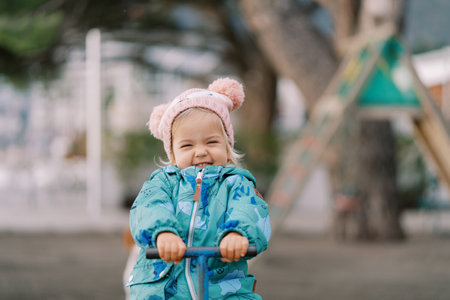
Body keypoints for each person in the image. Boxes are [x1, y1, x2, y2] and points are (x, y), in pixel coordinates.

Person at [126, 77, 271, 299]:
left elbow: (250, 209)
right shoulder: (162, 183)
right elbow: (148, 206)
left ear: (227, 145)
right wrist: (163, 233)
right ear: (173, 153)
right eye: (187, 145)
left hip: (221, 285)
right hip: (165, 286)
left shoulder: (237, 183)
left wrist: (237, 233)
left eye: (211, 142)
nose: (201, 151)